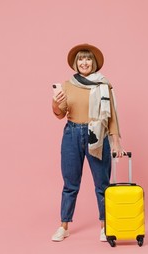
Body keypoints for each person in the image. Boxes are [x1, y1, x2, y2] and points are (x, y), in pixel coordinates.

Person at [51, 43, 126, 242]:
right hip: (72, 134)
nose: (84, 62)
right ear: (76, 63)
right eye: (81, 59)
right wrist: (55, 102)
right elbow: (60, 113)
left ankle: (104, 226)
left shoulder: (103, 85)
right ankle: (63, 226)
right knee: (70, 183)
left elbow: (111, 117)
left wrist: (116, 141)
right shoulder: (68, 85)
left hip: (98, 134)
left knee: (102, 184)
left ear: (93, 63)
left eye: (88, 59)